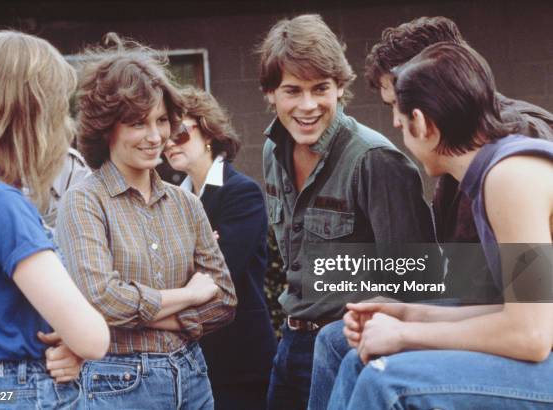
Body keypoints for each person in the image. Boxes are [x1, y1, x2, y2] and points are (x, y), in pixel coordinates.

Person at [308, 16, 553, 409]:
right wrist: (410, 313)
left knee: (385, 381)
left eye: (399, 119)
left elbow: (533, 334)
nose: (397, 132)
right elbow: (524, 306)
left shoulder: (512, 174)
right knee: (356, 359)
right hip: (531, 332)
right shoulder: (488, 169)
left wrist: (406, 335)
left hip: (540, 348)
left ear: (422, 122)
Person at [256, 14, 440, 409]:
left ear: (340, 88)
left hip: (347, 348)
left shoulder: (375, 160)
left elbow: (418, 279)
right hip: (290, 340)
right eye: (292, 90)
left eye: (320, 88)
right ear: (271, 93)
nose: (308, 105)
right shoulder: (272, 150)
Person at [55, 35, 237, 410]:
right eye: (138, 123)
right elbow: (101, 301)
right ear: (107, 127)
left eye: (161, 121)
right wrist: (189, 295)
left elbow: (223, 300)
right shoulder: (84, 201)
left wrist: (144, 317)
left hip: (193, 375)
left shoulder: (185, 203)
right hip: (117, 382)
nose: (156, 137)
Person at [0, 30, 110, 409]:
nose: (65, 124)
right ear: (32, 112)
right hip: (28, 391)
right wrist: (77, 340)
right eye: (59, 108)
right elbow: (92, 338)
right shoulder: (1, 203)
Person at [164, 87, 277, 410]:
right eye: (164, 133)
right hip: (192, 356)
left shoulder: (241, 192)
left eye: (179, 132)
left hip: (240, 358)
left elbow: (219, 273)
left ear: (208, 130)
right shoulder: (174, 199)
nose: (169, 142)